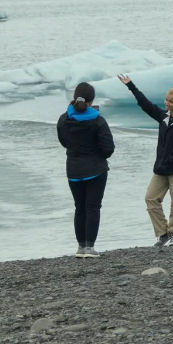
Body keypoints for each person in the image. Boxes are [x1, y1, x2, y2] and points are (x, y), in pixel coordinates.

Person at [118, 74, 173, 247]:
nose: (167, 103)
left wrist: (168, 161)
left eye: (171, 102)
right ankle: (162, 233)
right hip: (161, 169)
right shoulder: (163, 117)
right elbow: (145, 104)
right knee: (151, 199)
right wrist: (131, 85)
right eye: (166, 100)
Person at [56, 82, 115, 258]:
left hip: (73, 170)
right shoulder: (98, 120)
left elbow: (64, 141)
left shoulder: (64, 119)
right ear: (92, 100)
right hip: (96, 170)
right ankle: (90, 248)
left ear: (75, 97)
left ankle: (81, 247)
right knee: (93, 207)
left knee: (79, 207)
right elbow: (108, 148)